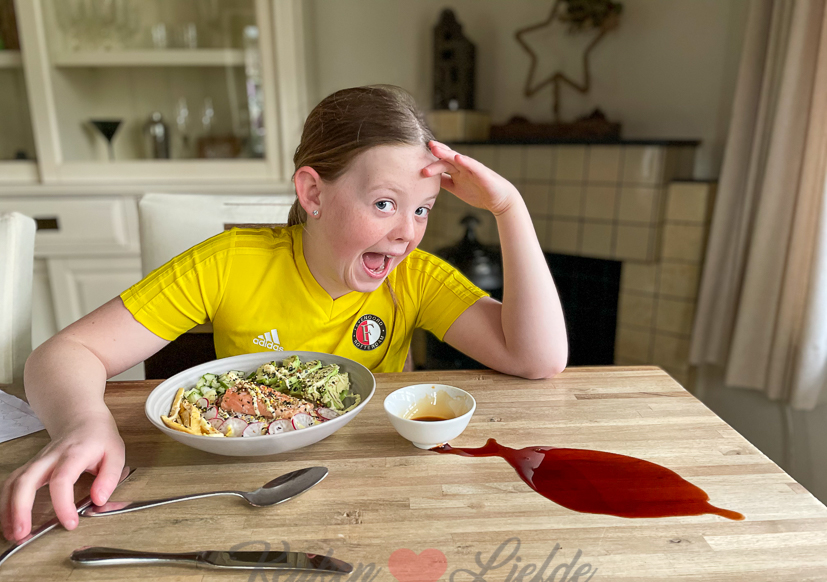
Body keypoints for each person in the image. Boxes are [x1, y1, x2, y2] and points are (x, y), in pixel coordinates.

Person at [0, 84, 567, 544]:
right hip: (245, 493)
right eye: (384, 204)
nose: (406, 233)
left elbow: (537, 358)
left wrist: (508, 207)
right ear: (313, 194)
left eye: (422, 209)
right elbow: (65, 353)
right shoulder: (230, 263)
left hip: (381, 489)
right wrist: (83, 422)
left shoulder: (413, 277)